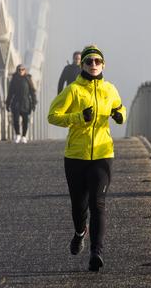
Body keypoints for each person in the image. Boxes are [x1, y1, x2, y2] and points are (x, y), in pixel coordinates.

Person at [47, 45, 126, 272]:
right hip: (76, 156)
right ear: (82, 65)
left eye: (97, 62)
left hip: (102, 155)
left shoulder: (110, 89)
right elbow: (53, 115)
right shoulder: (73, 90)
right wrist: (79, 117)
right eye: (89, 61)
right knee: (79, 206)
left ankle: (96, 253)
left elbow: (120, 108)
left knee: (98, 204)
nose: (93, 65)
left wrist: (120, 115)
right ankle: (80, 232)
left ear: (103, 65)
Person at [6, 64, 37, 144]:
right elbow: (10, 92)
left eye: (22, 69)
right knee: (15, 119)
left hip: (26, 102)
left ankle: (24, 136)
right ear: (17, 70)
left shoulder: (28, 79)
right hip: (16, 102)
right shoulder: (14, 79)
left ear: (25, 70)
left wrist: (34, 103)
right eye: (19, 70)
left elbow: (32, 92)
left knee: (25, 120)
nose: (21, 71)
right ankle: (17, 135)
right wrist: (7, 103)